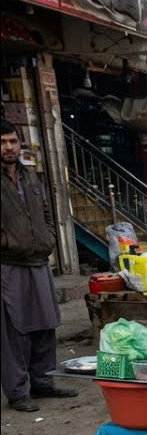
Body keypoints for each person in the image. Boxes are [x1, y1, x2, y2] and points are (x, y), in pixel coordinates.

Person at [0, 118, 77, 412]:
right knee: (14, 330)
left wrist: (50, 236)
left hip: (39, 261)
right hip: (9, 265)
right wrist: (9, 241)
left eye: (13, 141)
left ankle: (43, 382)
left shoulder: (31, 177)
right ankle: (18, 392)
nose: (9, 147)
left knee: (45, 324)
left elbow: (46, 211)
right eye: (3, 142)